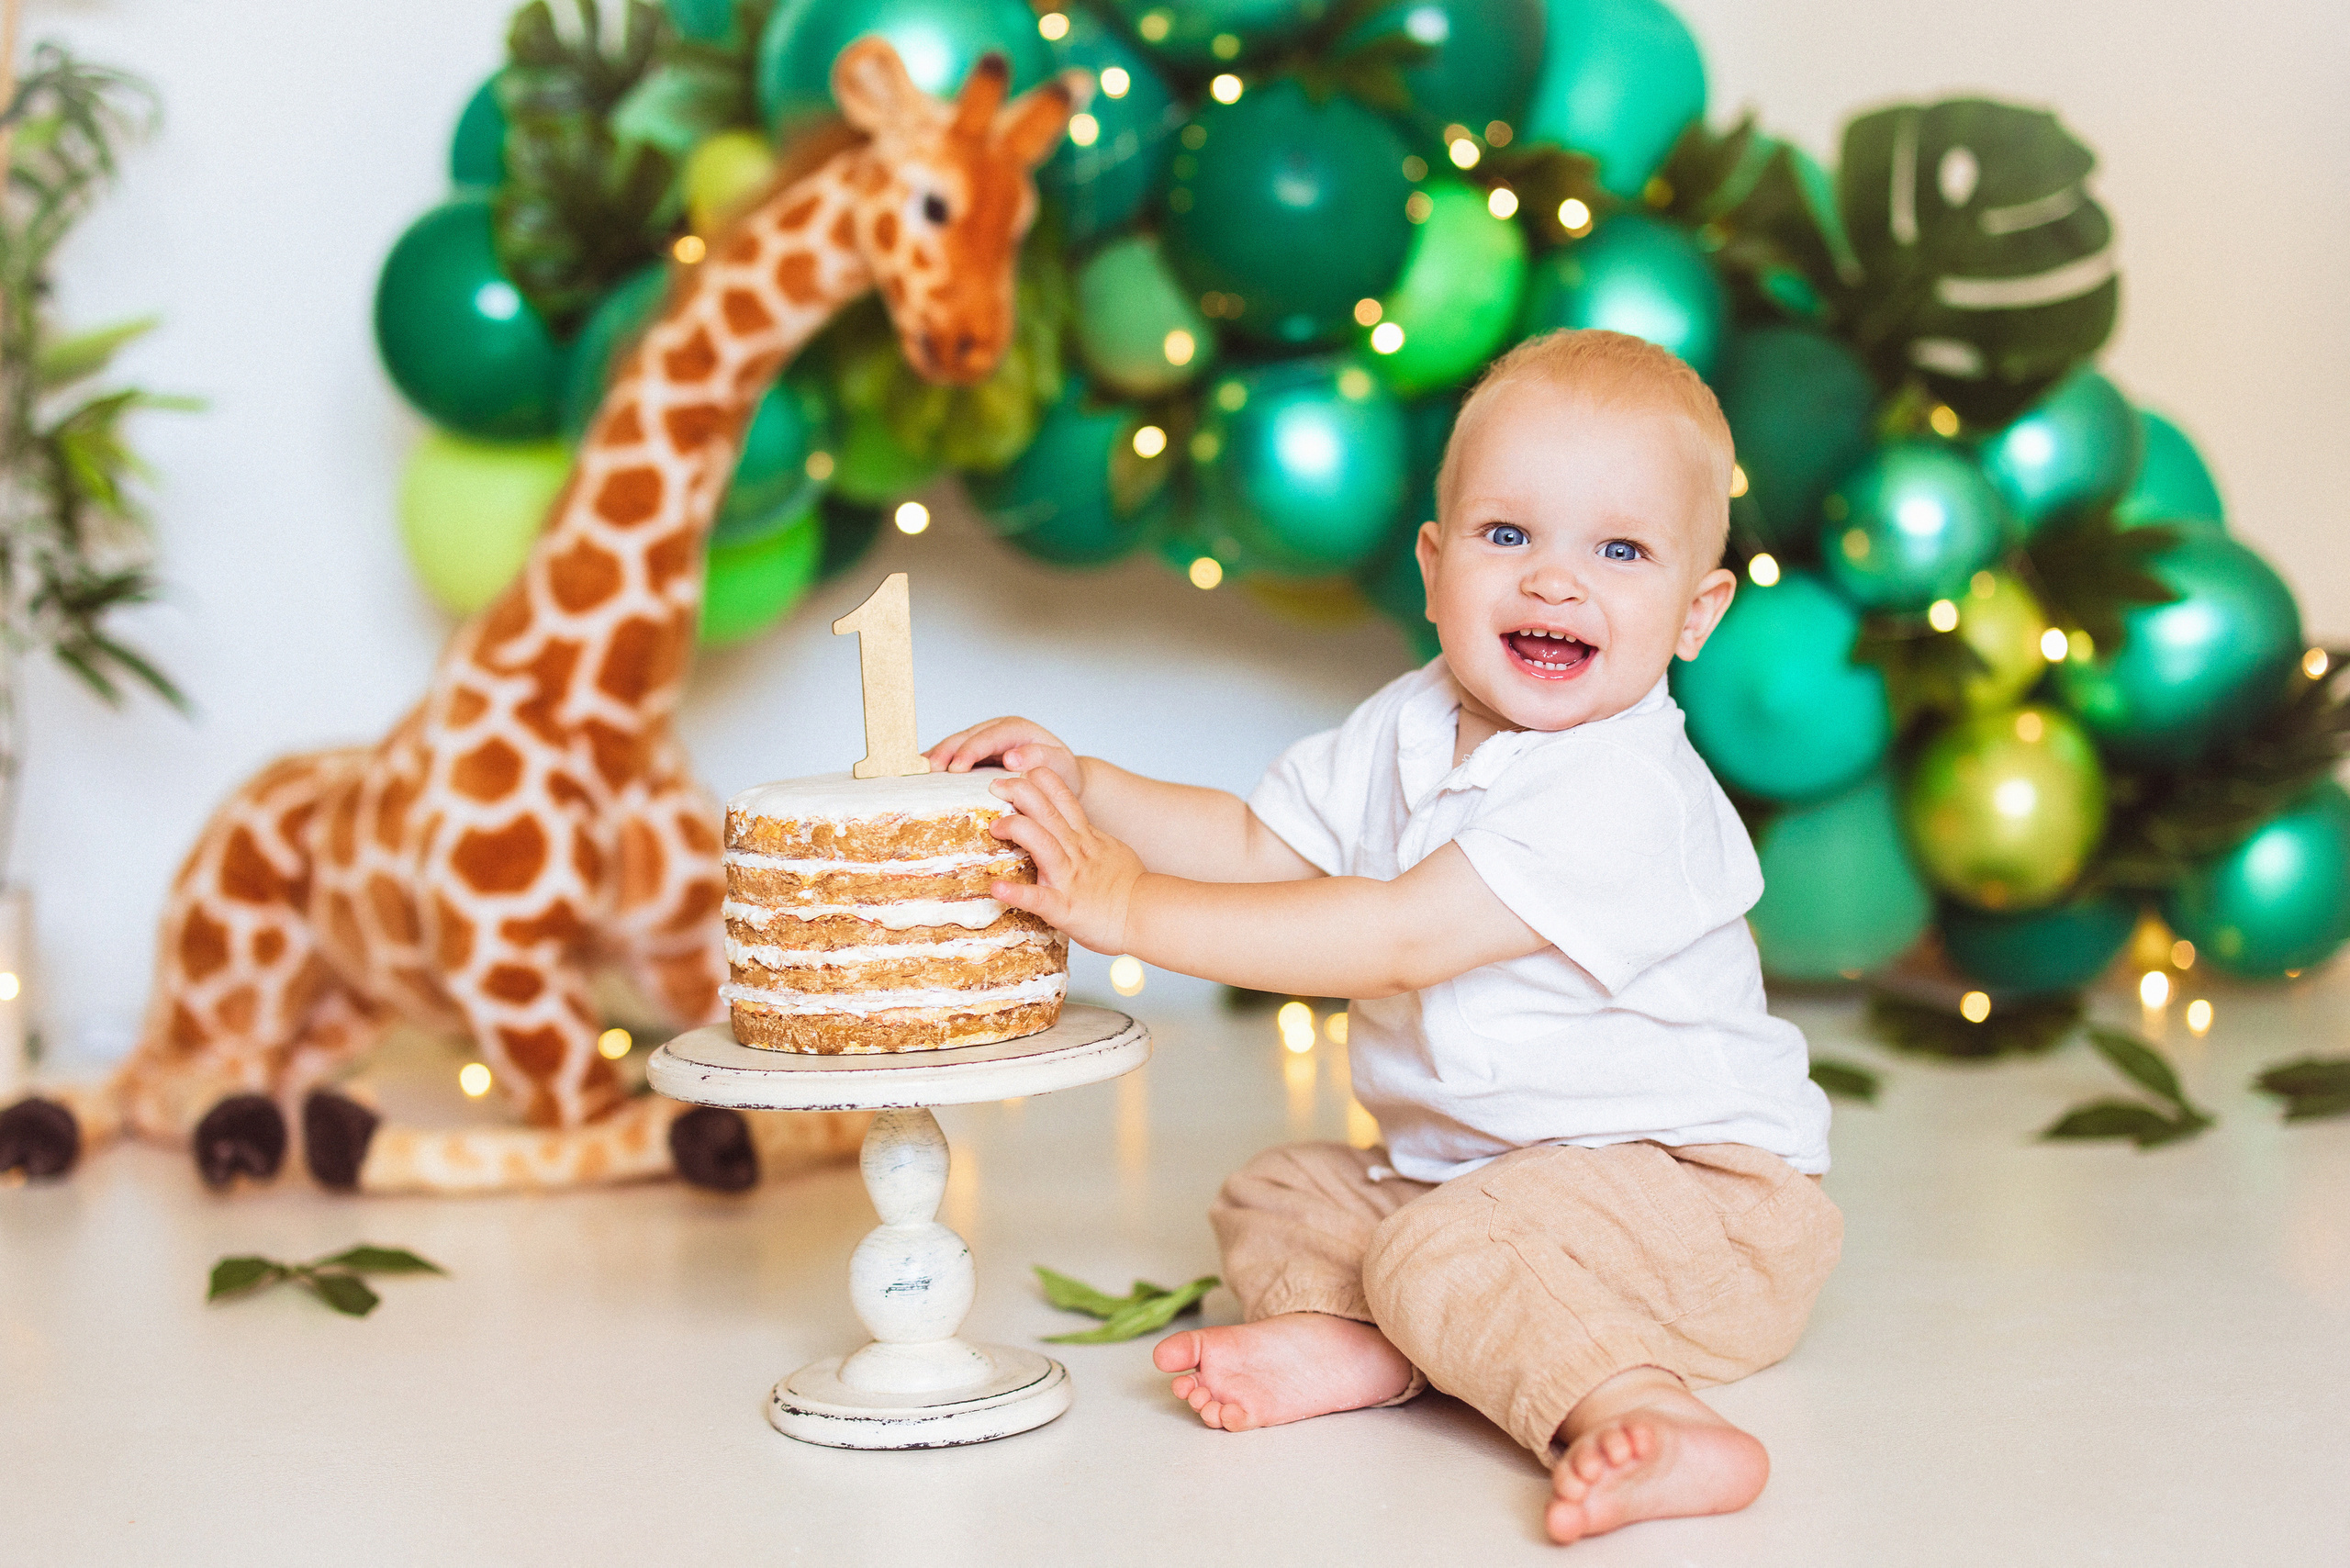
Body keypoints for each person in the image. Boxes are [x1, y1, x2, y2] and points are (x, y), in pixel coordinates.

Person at [925, 329, 1839, 1546]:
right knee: (1284, 1188)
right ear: (1434, 563)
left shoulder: (1626, 789)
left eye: (1619, 551)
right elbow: (1263, 843)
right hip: (1489, 1181)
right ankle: (1361, 1340)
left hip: (1700, 1208)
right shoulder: (1412, 720)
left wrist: (1125, 909)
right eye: (1507, 535)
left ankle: (1641, 1410)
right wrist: (1086, 782)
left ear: (1694, 612)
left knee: (1437, 1246)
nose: (1555, 582)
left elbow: (1398, 937)